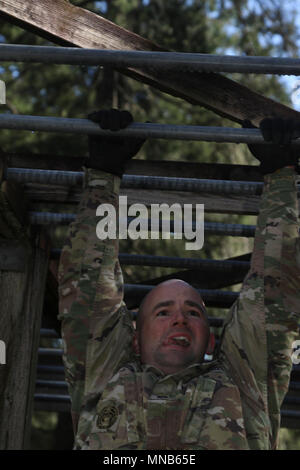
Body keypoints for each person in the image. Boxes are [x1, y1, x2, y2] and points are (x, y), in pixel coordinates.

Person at [58, 110, 300, 450]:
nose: (179, 319)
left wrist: (281, 175)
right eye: (162, 312)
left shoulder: (243, 384)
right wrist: (103, 173)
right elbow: (87, 294)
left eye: (193, 312)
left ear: (211, 343)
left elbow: (273, 296)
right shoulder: (106, 375)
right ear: (136, 342)